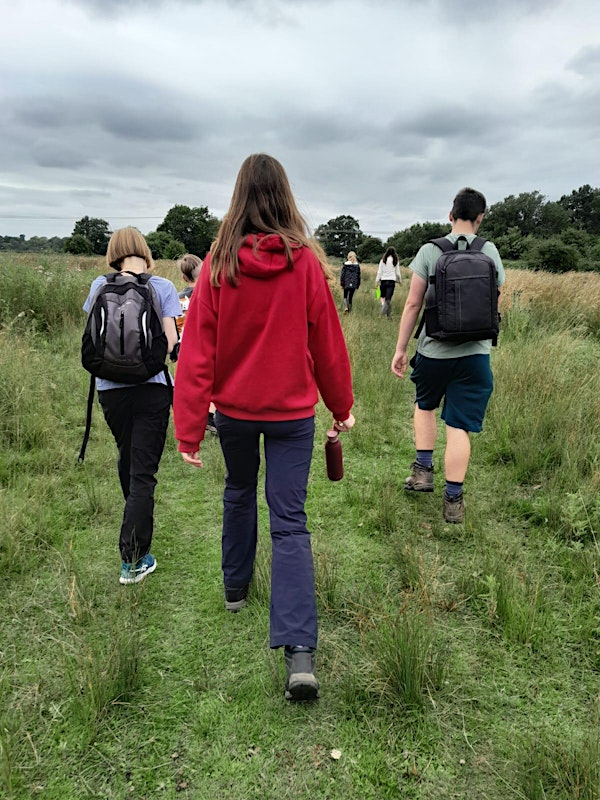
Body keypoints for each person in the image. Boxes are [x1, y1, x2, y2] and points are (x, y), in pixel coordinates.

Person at [173, 153, 355, 702]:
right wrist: (340, 405)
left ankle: (235, 589)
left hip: (234, 411)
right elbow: (327, 342)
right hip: (293, 414)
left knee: (236, 491)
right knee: (290, 520)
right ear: (284, 197)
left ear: (238, 198)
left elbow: (197, 351)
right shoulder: (303, 264)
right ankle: (300, 652)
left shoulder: (217, 263)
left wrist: (187, 429)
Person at [391, 188, 505, 523]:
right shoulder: (490, 251)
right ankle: (453, 501)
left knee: (424, 405)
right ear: (480, 217)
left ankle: (423, 472)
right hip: (475, 355)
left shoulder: (430, 250)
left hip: (434, 350)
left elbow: (413, 303)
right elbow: (494, 303)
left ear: (450, 214)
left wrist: (400, 349)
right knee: (459, 425)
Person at [83, 227, 180, 583]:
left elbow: (94, 335)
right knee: (143, 472)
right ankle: (133, 559)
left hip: (110, 389)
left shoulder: (99, 285)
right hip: (151, 387)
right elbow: (170, 343)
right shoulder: (163, 288)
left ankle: (134, 523)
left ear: (114, 253)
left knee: (128, 456)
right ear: (143, 251)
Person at [176, 253, 217, 435]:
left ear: (184, 277)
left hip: (183, 347)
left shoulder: (178, 298)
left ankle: (197, 418)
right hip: (207, 344)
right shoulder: (211, 294)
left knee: (192, 383)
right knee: (213, 381)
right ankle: (210, 416)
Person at [375, 246, 402, 319]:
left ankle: (387, 315)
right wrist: (400, 280)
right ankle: (384, 315)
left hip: (383, 281)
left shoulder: (383, 260)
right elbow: (398, 272)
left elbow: (379, 272)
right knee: (388, 299)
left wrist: (376, 281)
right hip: (391, 281)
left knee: (383, 298)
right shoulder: (395, 260)